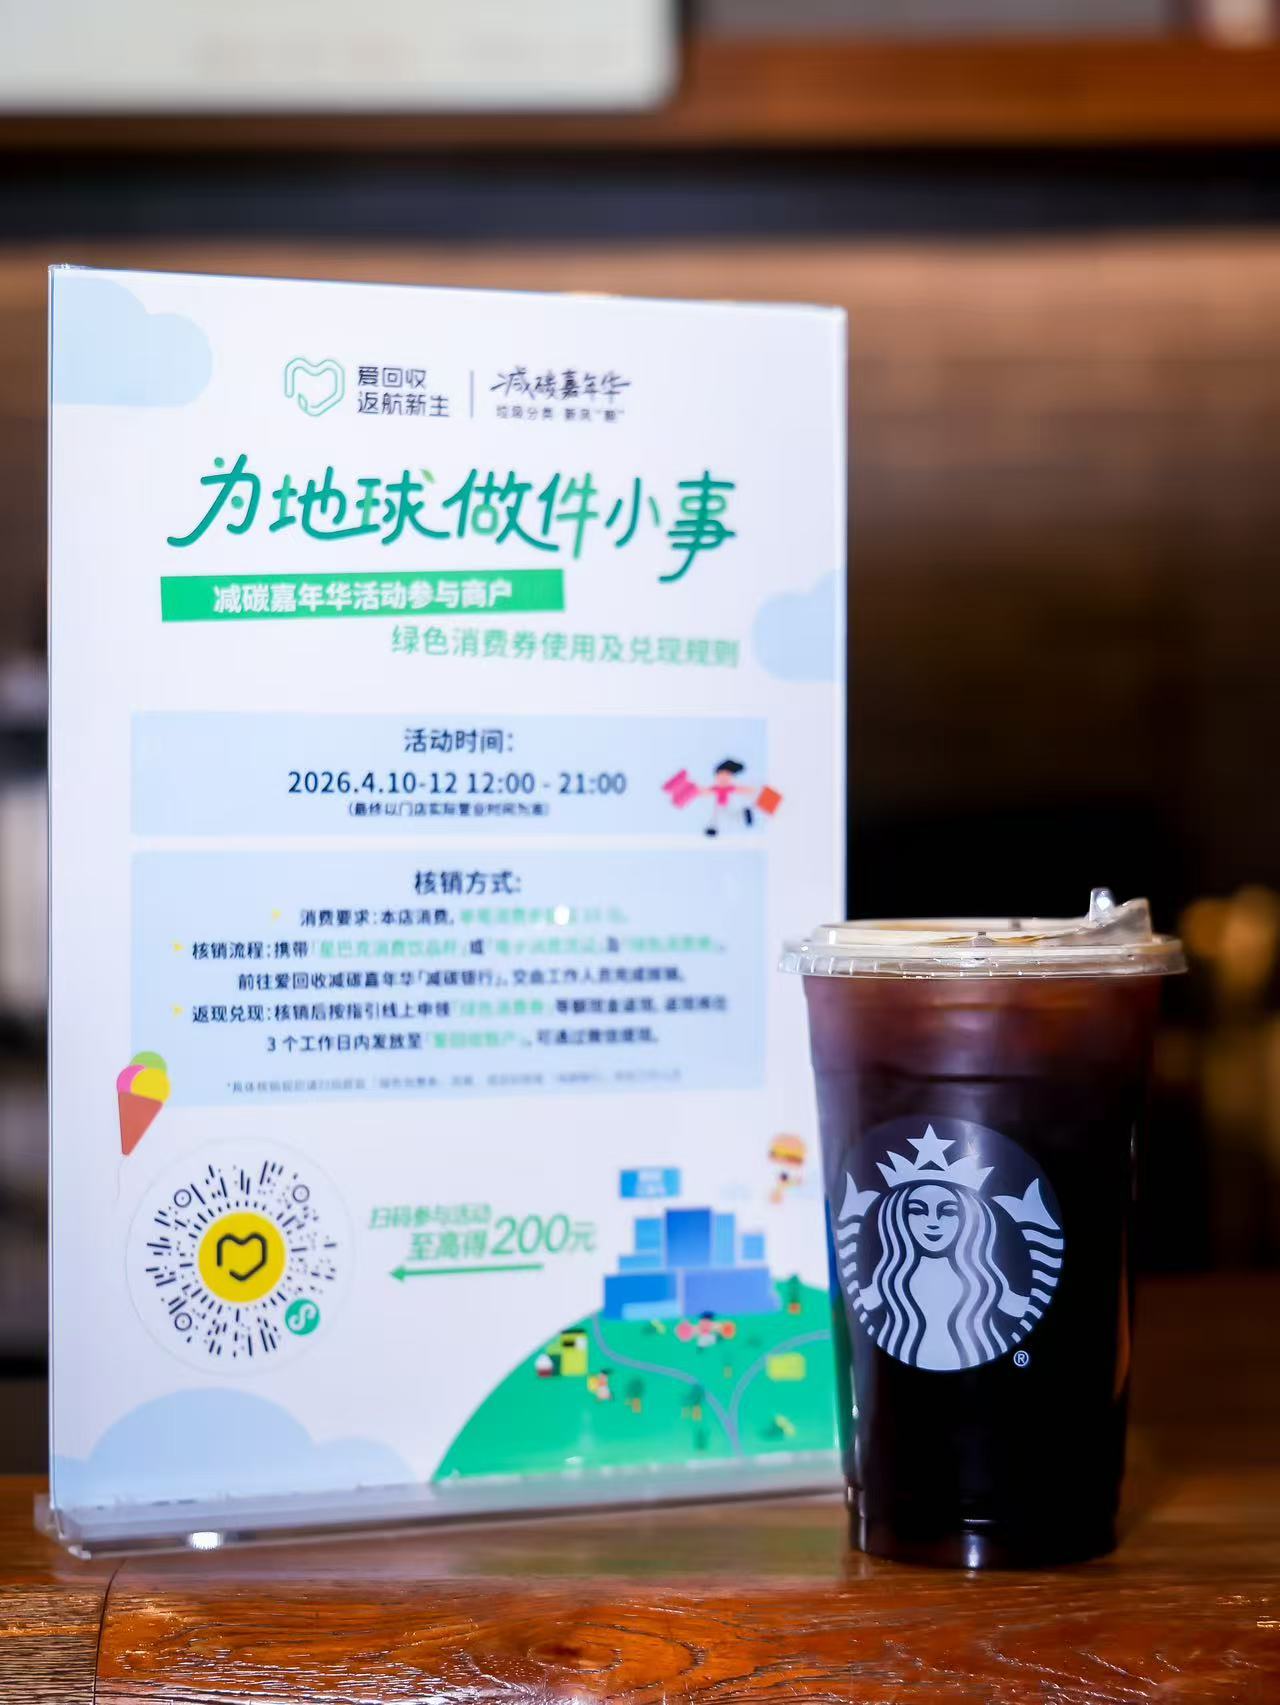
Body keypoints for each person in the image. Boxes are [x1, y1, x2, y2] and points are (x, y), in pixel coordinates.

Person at [703, 758, 754, 836]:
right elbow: (705, 792)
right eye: (721, 776)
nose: (723, 779)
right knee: (716, 815)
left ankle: (744, 816)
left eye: (727, 775)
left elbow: (745, 790)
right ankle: (712, 827)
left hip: (730, 807)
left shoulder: (733, 789)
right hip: (719, 808)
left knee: (732, 815)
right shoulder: (714, 789)